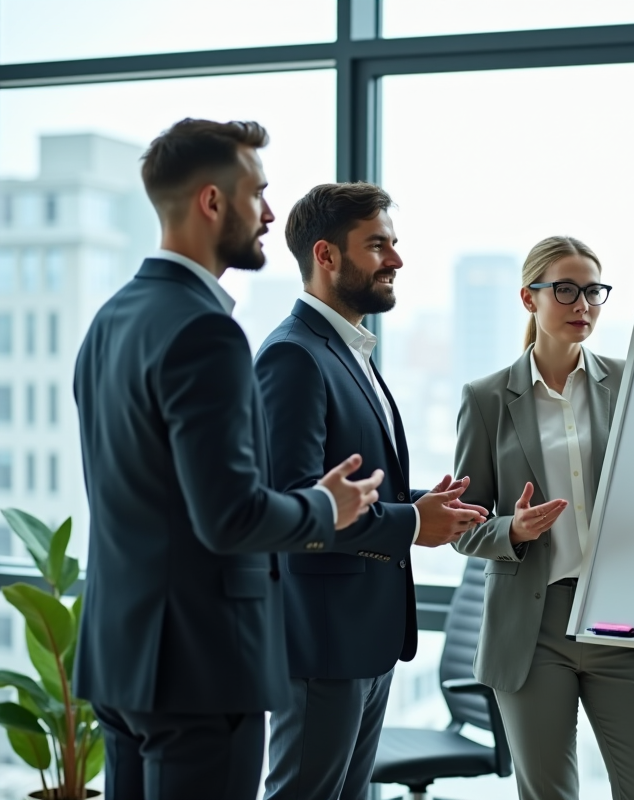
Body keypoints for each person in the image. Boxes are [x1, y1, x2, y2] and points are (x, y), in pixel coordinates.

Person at [72, 120, 391, 799]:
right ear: (212, 202)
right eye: (259, 194)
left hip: (120, 658)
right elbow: (230, 515)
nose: (271, 214)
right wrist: (325, 508)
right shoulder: (206, 329)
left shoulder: (111, 320)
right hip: (199, 665)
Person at [256, 182, 487, 800]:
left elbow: (352, 489)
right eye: (378, 245)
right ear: (327, 256)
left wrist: (420, 506)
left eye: (394, 243)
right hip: (323, 642)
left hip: (367, 638)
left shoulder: (350, 351)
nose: (396, 260)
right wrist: (412, 526)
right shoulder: (293, 357)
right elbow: (295, 507)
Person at [454, 236, 634, 800]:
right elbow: (461, 525)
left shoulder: (630, 384)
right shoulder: (486, 399)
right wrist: (512, 529)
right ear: (530, 299)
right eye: (566, 290)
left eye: (593, 291)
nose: (584, 304)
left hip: (620, 623)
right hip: (534, 630)